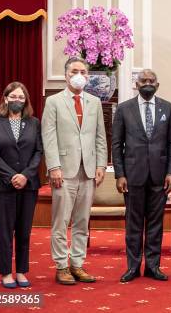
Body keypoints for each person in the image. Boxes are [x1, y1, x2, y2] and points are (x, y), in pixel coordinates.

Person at [41, 56, 107, 285]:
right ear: (66, 74)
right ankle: (61, 266)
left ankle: (77, 264)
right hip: (64, 171)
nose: (79, 75)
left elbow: (100, 136)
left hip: (88, 171)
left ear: (88, 76)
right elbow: (48, 136)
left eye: (83, 72)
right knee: (61, 222)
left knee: (82, 221)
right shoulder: (54, 102)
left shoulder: (94, 102)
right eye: (74, 71)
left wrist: (100, 164)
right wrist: (53, 166)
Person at [112, 69, 171, 283]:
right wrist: (120, 174)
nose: (147, 83)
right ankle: (132, 267)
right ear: (136, 84)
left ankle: (153, 266)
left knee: (155, 224)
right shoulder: (124, 109)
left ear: (157, 85)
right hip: (132, 176)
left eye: (151, 81)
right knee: (133, 224)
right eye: (143, 81)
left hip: (160, 176)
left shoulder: (167, 108)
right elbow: (116, 144)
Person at [0, 82, 42, 289]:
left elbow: (38, 152)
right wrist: (12, 176)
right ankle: (6, 272)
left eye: (21, 97)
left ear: (26, 100)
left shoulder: (34, 123)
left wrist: (25, 175)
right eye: (13, 97)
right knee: (4, 231)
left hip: (28, 186)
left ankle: (21, 271)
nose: (17, 100)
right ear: (6, 99)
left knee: (24, 231)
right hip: (2, 186)